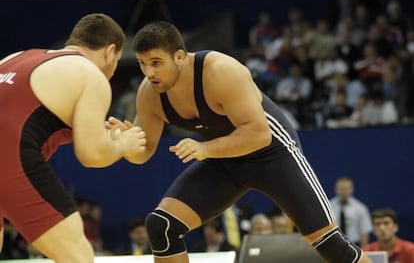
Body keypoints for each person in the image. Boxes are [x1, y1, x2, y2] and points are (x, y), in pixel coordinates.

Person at [109, 20, 373, 263]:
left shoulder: (220, 71)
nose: (149, 72)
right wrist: (123, 144)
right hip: (226, 160)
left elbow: (259, 135)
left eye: (156, 62)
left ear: (179, 56)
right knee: (162, 226)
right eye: (143, 63)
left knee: (332, 246)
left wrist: (205, 148)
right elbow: (142, 153)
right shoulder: (150, 94)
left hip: (273, 154)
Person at [0, 13, 147, 263]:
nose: (112, 71)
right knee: (77, 256)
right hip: (8, 161)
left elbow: (27, 116)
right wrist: (123, 144)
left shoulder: (16, 58)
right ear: (111, 51)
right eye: (118, 60)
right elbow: (91, 155)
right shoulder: (90, 75)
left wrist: (98, 131)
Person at [329, 176, 372, 248]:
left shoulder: (360, 208)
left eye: (346, 189)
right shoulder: (329, 206)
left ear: (351, 189)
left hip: (354, 245)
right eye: (341, 189)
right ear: (336, 189)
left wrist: (364, 251)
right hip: (334, 245)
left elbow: (364, 232)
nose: (343, 191)